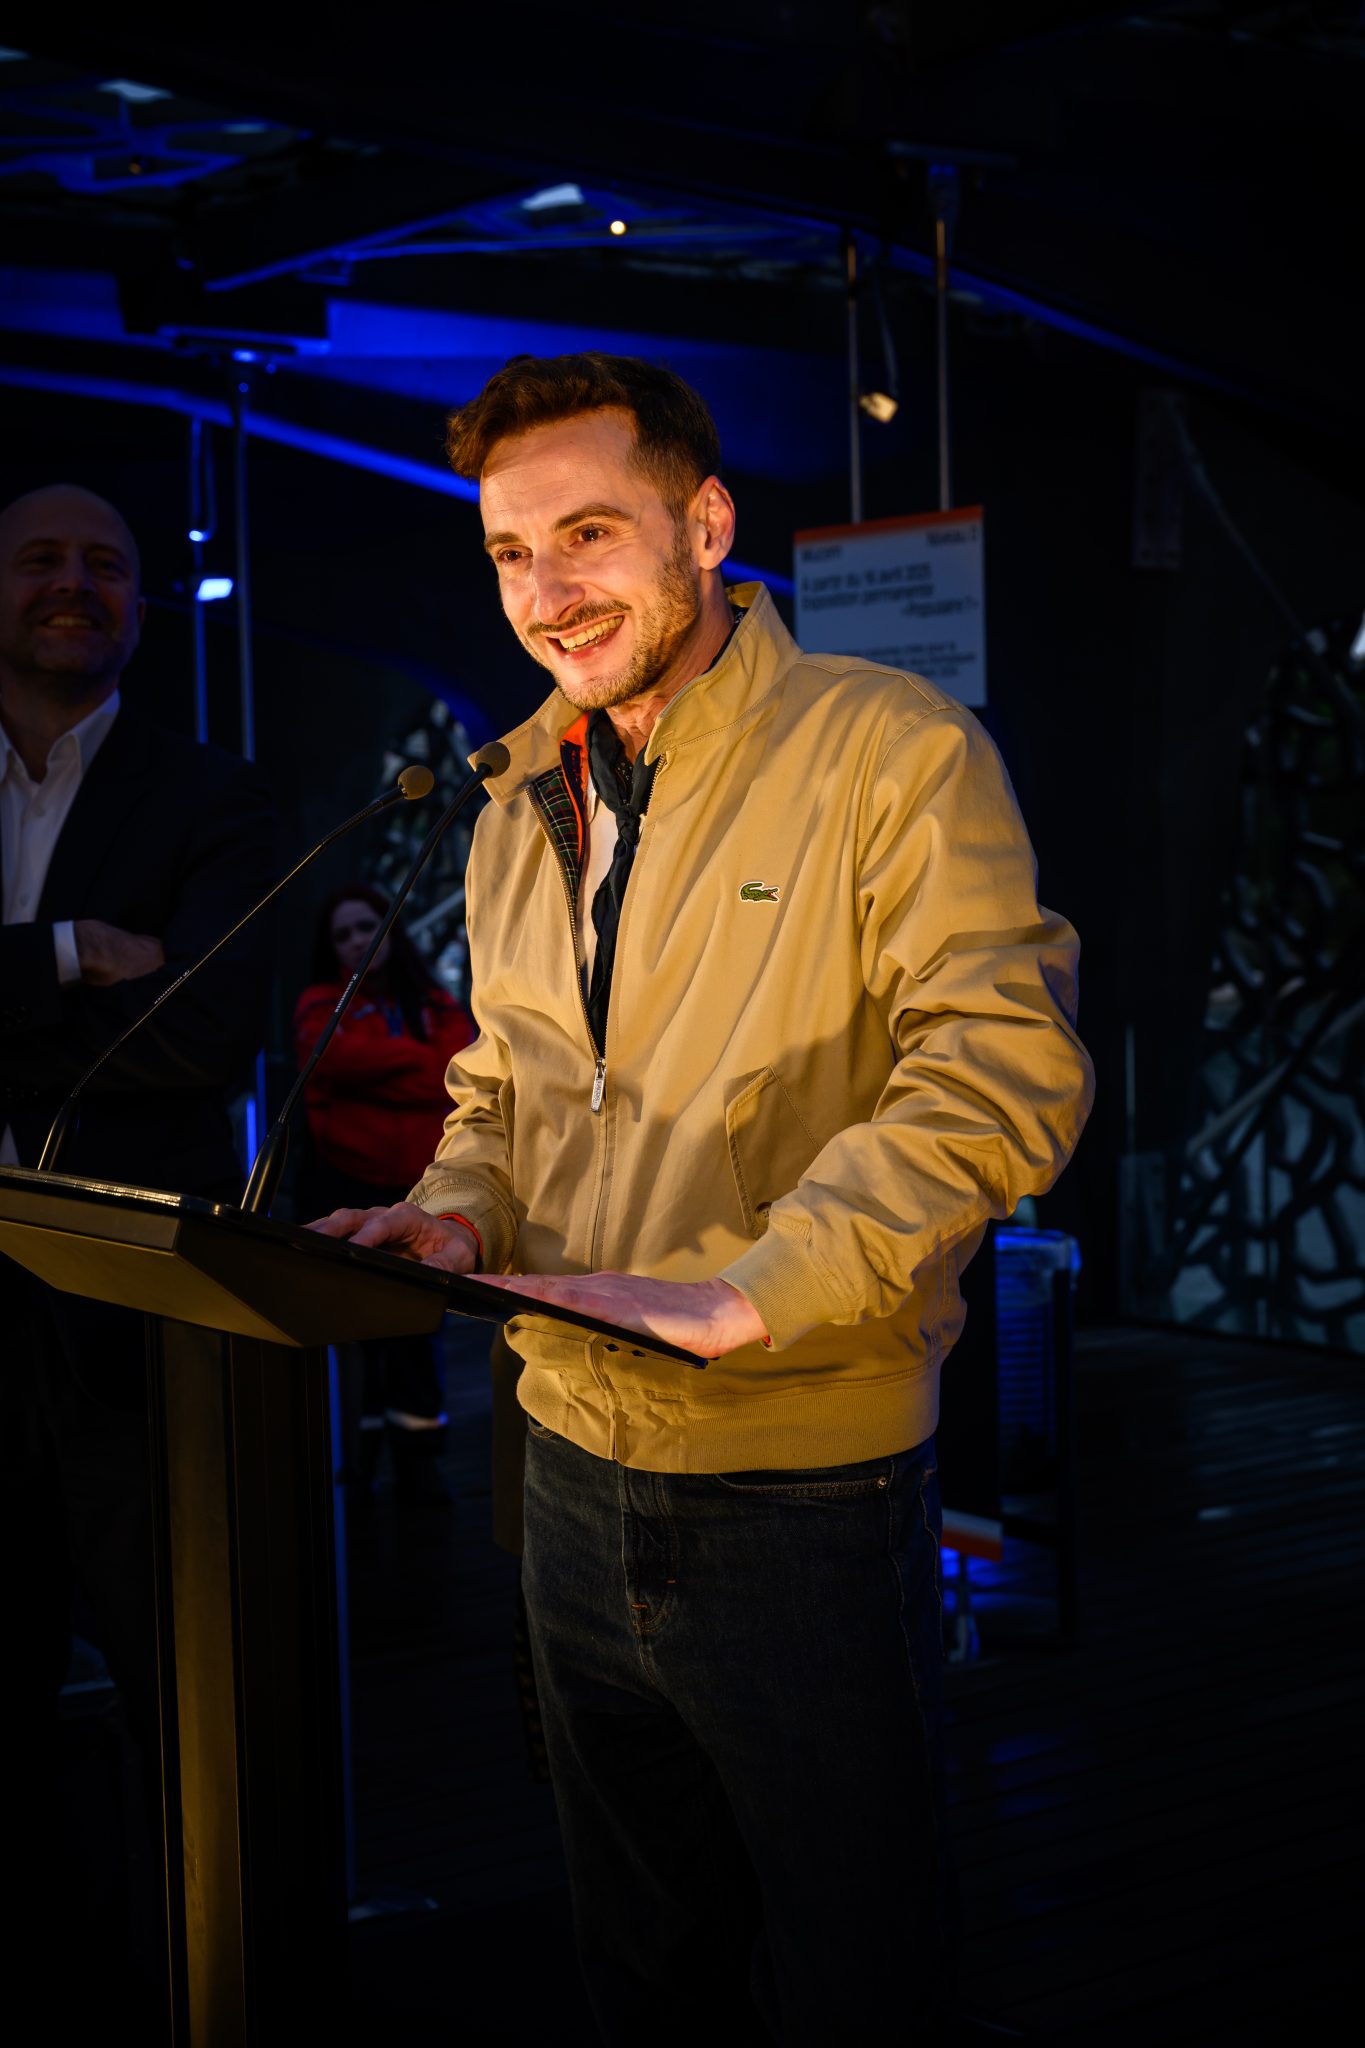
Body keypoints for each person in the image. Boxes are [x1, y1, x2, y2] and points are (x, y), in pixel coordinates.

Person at [311, 355, 1094, 2044]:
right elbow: (503, 1083)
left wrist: (755, 1288)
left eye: (588, 532)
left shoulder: (891, 749)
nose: (547, 590)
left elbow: (1002, 1070)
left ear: (708, 522)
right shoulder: (521, 794)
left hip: (795, 1475)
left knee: (850, 1969)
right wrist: (453, 1213)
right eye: (511, 553)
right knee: (645, 1957)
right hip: (566, 1463)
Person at [0, 484, 273, 2010]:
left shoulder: (212, 797)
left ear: (145, 613)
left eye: (107, 566)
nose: (74, 584)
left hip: (123, 1330)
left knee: (181, 1702)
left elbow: (207, 1035)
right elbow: (122, 1027)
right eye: (41, 558)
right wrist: (60, 960)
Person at [293, 881, 473, 1504]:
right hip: (349, 1190)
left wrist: (389, 1071)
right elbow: (339, 1060)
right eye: (341, 933)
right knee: (358, 1339)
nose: (355, 942)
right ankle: (358, 1466)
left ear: (389, 929)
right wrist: (421, 1069)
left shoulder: (431, 1002)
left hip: (419, 1194)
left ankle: (420, 1467)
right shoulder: (320, 1004)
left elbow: (460, 1065)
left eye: (365, 926)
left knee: (417, 1334)